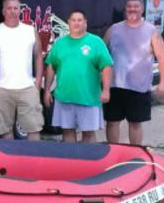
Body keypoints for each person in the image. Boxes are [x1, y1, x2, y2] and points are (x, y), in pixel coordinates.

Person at [103, 0, 164, 145]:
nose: (132, 9)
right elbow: (100, 54)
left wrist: (163, 83)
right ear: (125, 9)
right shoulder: (113, 29)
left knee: (135, 123)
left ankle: (134, 155)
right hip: (115, 86)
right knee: (112, 122)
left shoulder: (151, 31)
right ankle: (113, 152)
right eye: (129, 6)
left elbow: (162, 58)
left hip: (139, 87)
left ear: (142, 9)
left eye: (136, 7)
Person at [43, 10, 113, 143]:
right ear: (68, 23)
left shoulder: (95, 42)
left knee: (88, 133)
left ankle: (89, 162)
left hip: (89, 98)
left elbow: (106, 66)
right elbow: (51, 66)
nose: (76, 23)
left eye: (80, 20)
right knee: (67, 131)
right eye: (73, 20)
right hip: (64, 97)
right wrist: (47, 90)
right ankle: (71, 162)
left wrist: (106, 90)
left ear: (85, 23)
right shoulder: (60, 43)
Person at [0, 0, 44, 140]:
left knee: (34, 129)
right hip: (1, 89)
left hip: (28, 88)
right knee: (4, 131)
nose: (13, 11)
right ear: (3, 11)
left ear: (20, 10)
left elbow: (38, 56)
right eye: (9, 8)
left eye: (16, 8)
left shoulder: (30, 31)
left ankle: (33, 162)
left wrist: (38, 83)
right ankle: (10, 162)